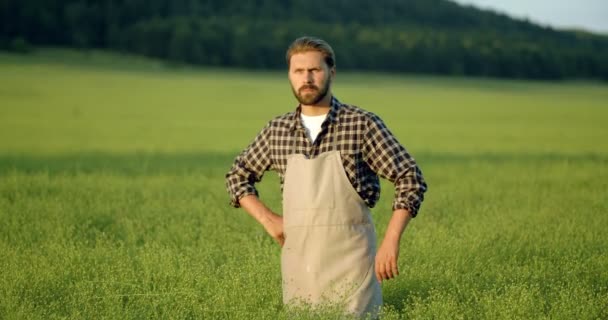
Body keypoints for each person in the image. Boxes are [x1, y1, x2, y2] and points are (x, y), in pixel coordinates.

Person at [225, 36, 427, 318]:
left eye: (314, 70)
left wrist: (391, 241)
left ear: (332, 72)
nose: (306, 78)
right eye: (298, 71)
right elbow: (237, 176)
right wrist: (269, 220)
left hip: (354, 270)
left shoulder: (361, 124)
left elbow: (410, 178)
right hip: (300, 270)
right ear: (289, 76)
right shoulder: (277, 130)